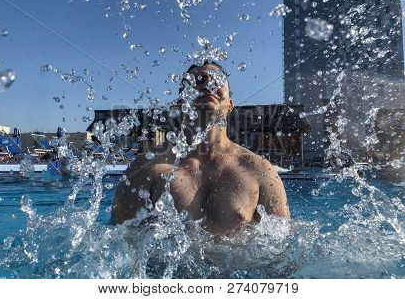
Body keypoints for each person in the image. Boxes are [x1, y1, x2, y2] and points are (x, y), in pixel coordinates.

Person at [111, 61, 290, 235]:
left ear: (230, 104)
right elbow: (119, 245)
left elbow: (283, 251)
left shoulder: (259, 170)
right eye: (198, 81)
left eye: (218, 80)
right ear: (180, 105)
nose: (208, 84)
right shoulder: (146, 168)